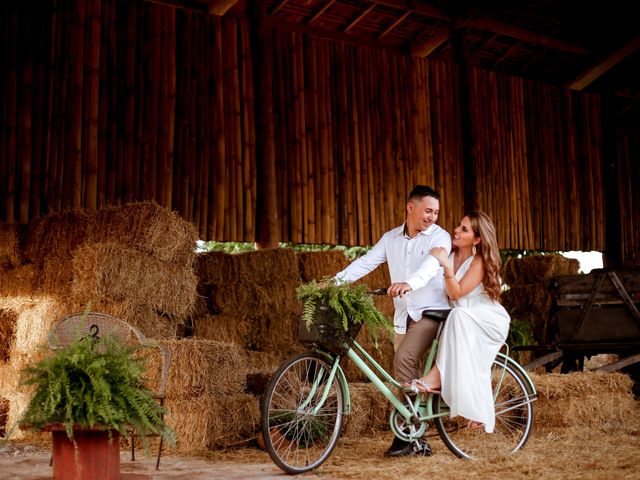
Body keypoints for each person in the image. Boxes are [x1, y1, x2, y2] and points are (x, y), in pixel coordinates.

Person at [333, 185, 451, 456]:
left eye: (436, 212)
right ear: (411, 207)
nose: (433, 217)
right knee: (403, 377)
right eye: (428, 211)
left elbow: (430, 267)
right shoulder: (391, 239)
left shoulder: (440, 237)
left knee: (404, 360)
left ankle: (415, 438)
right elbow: (366, 262)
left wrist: (409, 283)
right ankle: (410, 435)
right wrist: (335, 282)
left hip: (431, 313)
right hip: (403, 317)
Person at [404, 211, 510, 433]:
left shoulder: (478, 260)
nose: (457, 231)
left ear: (478, 239)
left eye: (465, 229)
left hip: (485, 319)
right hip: (461, 319)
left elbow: (456, 293)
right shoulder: (449, 256)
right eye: (458, 226)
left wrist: (446, 267)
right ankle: (468, 404)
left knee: (456, 315)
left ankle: (435, 377)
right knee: (455, 320)